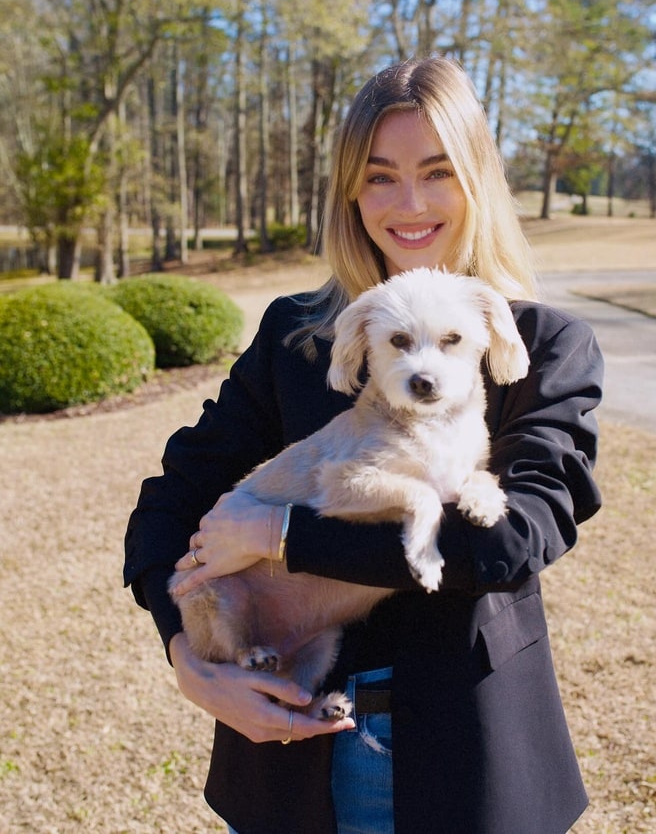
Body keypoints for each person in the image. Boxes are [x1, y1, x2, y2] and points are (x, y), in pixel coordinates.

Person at [124, 56, 603, 834]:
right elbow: (171, 499)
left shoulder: (544, 344)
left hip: (467, 759)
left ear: (478, 178)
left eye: (436, 171)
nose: (408, 204)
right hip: (291, 763)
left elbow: (512, 537)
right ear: (351, 191)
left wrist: (284, 536)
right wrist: (187, 657)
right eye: (380, 176)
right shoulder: (298, 334)